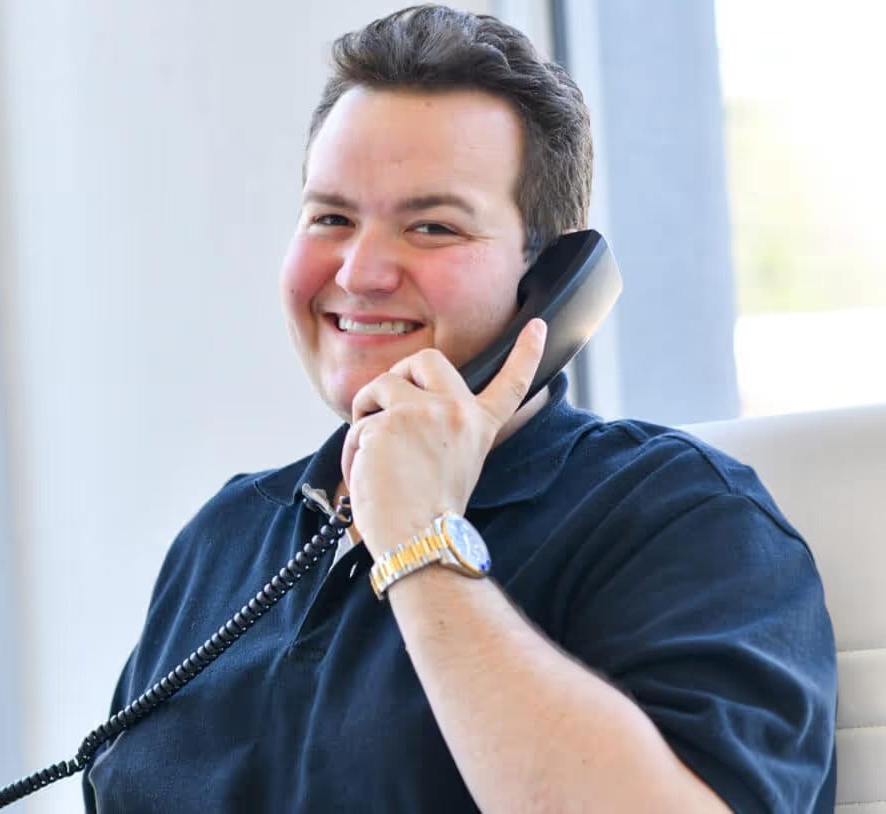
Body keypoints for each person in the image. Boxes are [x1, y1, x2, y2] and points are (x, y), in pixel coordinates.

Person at [81, 5, 836, 812]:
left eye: (433, 226)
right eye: (331, 217)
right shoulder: (226, 537)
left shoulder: (680, 519)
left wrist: (419, 540)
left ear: (552, 279)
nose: (361, 271)